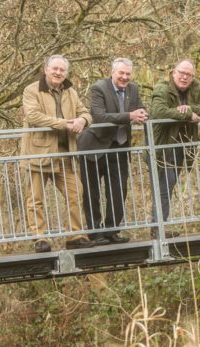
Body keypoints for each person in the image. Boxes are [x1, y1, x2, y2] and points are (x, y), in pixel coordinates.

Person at [21, 55, 95, 252]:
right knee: (35, 197)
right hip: (38, 152)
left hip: (65, 153)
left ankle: (75, 235)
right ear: (46, 69)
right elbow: (33, 116)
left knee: (76, 192)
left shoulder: (70, 91)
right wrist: (64, 123)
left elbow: (85, 112)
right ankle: (39, 237)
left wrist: (82, 121)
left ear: (66, 73)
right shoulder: (31, 90)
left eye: (62, 70)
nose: (58, 73)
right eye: (55, 69)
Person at [77, 58, 148, 245]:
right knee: (92, 192)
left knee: (118, 190)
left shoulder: (133, 89)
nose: (125, 77)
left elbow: (140, 108)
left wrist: (142, 114)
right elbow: (99, 116)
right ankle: (95, 233)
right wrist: (129, 116)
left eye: (128, 74)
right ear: (112, 72)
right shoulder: (99, 88)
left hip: (120, 146)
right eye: (121, 73)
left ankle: (112, 230)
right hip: (94, 146)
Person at [149, 59, 200, 237]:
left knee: (167, 188)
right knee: (165, 186)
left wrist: (190, 108)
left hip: (182, 147)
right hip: (161, 147)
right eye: (182, 73)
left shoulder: (196, 88)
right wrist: (187, 114)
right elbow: (158, 112)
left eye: (189, 75)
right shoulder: (162, 88)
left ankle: (158, 227)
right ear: (173, 72)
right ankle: (158, 229)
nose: (185, 77)